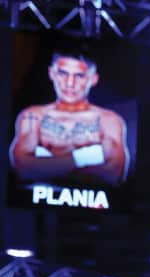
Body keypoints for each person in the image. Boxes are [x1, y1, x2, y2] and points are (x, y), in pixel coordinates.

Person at [9, 52, 129, 187]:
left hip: (91, 200)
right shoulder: (33, 116)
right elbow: (22, 168)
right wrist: (86, 157)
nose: (70, 83)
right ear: (52, 74)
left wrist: (44, 165)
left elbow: (113, 174)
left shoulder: (109, 120)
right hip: (36, 198)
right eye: (63, 73)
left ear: (93, 79)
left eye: (79, 76)